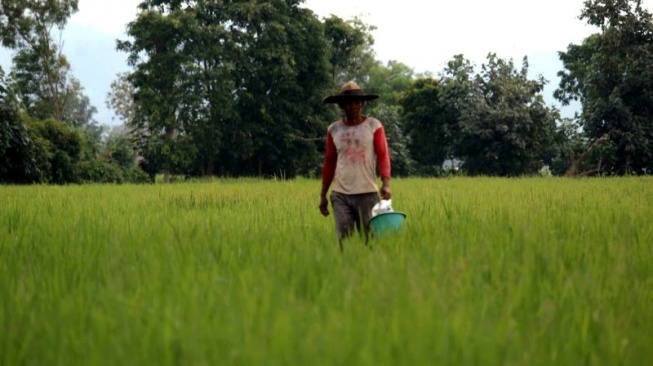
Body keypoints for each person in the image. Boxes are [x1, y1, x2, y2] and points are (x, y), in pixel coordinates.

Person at [319, 81, 392, 249]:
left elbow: (383, 155)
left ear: (362, 103)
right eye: (349, 102)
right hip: (340, 194)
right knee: (344, 240)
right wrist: (323, 195)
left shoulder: (373, 126)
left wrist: (386, 184)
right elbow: (329, 162)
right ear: (342, 105)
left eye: (357, 102)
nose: (353, 106)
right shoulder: (334, 130)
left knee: (370, 241)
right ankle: (345, 271)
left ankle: (371, 271)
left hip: (367, 193)